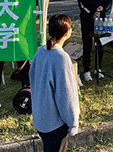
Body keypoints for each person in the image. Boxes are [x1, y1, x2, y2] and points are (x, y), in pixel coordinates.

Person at [30, 14, 80, 152]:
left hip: (41, 119)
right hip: (55, 124)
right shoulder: (61, 58)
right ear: (67, 32)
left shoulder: (40, 52)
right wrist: (73, 123)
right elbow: (66, 96)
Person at [77, 0, 112, 81]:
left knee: (100, 44)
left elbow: (109, 2)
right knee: (87, 45)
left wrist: (103, 8)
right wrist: (91, 12)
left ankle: (98, 68)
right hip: (86, 20)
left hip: (100, 21)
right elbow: (81, 3)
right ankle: (86, 71)